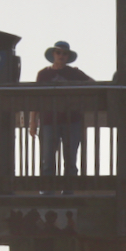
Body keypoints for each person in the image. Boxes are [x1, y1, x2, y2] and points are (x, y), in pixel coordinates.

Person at [28, 40, 93, 191]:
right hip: (48, 121)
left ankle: (69, 191)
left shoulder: (75, 73)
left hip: (72, 121)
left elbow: (93, 84)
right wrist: (33, 122)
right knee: (48, 159)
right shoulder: (43, 74)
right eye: (58, 52)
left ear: (68, 57)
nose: (61, 56)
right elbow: (35, 99)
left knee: (70, 159)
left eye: (65, 53)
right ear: (53, 55)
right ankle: (47, 190)